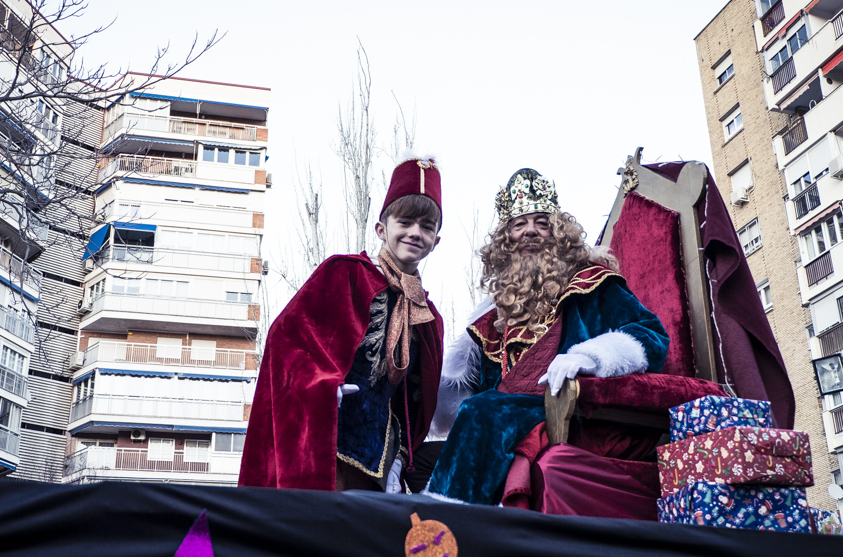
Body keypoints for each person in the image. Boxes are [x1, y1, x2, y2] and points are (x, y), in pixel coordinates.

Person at [425, 168, 669, 505]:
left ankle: (451, 522)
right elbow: (470, 391)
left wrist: (588, 357)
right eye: (519, 224)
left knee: (483, 410)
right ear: (505, 240)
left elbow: (651, 335)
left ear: (558, 232)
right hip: (506, 413)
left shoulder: (593, 284)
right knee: (423, 457)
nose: (530, 231)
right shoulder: (496, 315)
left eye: (541, 222)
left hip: (574, 410)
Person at [239, 156, 445, 492]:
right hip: (324, 446)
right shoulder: (345, 274)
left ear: (436, 240)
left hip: (380, 468)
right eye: (405, 222)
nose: (415, 233)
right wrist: (319, 387)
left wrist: (400, 459)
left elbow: (413, 404)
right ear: (381, 229)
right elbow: (285, 342)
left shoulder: (428, 317)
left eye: (426, 226)